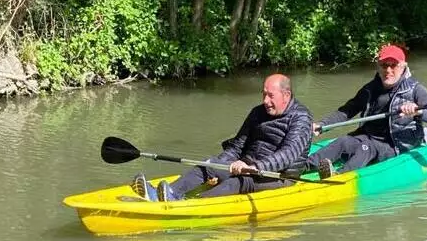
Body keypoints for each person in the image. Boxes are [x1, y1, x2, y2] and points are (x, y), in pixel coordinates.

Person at [131, 74, 313, 202]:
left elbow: (289, 154)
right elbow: (237, 146)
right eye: (264, 94)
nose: (265, 100)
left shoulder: (301, 117)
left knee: (239, 182)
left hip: (280, 176)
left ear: (286, 95)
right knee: (208, 165)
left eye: (270, 96)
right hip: (248, 165)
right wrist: (218, 164)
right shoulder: (258, 112)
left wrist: (254, 167)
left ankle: (192, 206)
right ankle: (171, 192)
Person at [306, 44, 427, 179]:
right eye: (384, 65)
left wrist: (419, 112)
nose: (388, 70)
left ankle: (338, 177)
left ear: (403, 67)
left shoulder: (416, 90)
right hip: (367, 137)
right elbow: (346, 111)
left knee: (366, 148)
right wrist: (322, 125)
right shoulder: (369, 89)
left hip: (395, 145)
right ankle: (302, 166)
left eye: (393, 65)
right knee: (343, 141)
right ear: (378, 66)